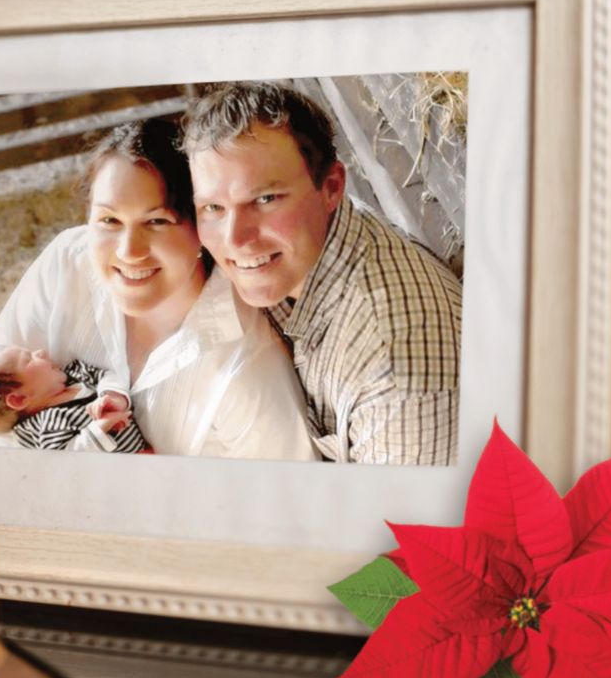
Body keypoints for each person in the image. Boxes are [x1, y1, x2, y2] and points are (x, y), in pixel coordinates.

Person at [0, 118, 317, 461]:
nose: (128, 251)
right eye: (109, 220)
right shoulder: (67, 261)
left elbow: (282, 493)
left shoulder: (245, 369)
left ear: (200, 225)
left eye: (156, 221)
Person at [181, 81, 462, 465]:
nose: (234, 239)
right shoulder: (300, 250)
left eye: (264, 199)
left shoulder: (399, 379)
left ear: (331, 188)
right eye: (213, 208)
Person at [0, 345, 148, 453]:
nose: (40, 352)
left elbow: (106, 376)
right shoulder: (45, 427)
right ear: (19, 399)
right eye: (29, 359)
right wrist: (98, 430)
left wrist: (113, 395)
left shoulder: (75, 373)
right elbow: (66, 462)